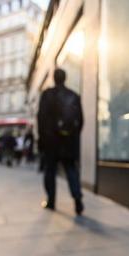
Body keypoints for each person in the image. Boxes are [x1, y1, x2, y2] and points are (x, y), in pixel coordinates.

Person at [37, 68, 84, 214]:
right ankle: (78, 200)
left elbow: (41, 118)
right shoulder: (74, 96)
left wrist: (42, 138)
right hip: (68, 142)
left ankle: (51, 201)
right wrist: (71, 136)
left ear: (54, 78)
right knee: (71, 170)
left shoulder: (47, 94)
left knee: (50, 171)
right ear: (65, 78)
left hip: (51, 141)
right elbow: (81, 121)